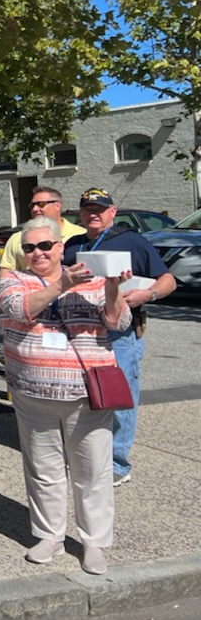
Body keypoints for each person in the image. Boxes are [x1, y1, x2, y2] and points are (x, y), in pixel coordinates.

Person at [0, 216, 131, 575]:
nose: (37, 253)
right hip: (32, 392)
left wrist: (113, 288)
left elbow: (118, 321)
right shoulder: (14, 279)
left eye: (45, 245)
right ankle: (50, 536)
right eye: (29, 247)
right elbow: (20, 309)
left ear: (60, 247)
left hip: (86, 393)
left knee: (93, 471)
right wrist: (62, 285)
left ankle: (94, 542)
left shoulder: (94, 279)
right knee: (43, 469)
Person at [62, 189, 175, 487]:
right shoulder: (72, 245)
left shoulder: (132, 241)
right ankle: (87, 455)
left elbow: (168, 280)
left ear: (113, 212)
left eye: (100, 209)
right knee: (83, 397)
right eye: (87, 209)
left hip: (120, 333)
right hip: (80, 332)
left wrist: (148, 294)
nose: (93, 214)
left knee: (120, 399)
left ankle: (118, 463)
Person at [0, 187, 85, 272]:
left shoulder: (80, 234)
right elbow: (6, 272)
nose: (35, 209)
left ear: (57, 206)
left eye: (41, 204)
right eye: (32, 205)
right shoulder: (17, 238)